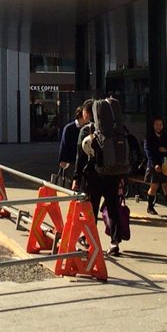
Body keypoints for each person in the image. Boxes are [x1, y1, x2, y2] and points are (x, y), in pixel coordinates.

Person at [74, 99, 125, 257]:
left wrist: (76, 177)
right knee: (113, 208)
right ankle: (115, 243)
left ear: (87, 113)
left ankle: (90, 241)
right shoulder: (117, 130)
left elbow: (80, 157)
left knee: (92, 210)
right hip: (113, 174)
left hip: (93, 177)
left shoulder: (86, 130)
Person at [144, 115, 167, 218]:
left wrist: (166, 150)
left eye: (160, 124)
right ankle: (150, 207)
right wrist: (155, 164)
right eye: (156, 124)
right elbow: (148, 152)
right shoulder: (149, 137)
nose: (158, 127)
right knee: (154, 187)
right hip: (154, 165)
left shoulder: (166, 137)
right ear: (153, 125)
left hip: (166, 165)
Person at [57, 106, 84, 182]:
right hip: (71, 161)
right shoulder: (69, 128)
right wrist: (62, 160)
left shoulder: (86, 128)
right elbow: (64, 144)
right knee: (69, 181)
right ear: (80, 116)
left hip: (81, 160)